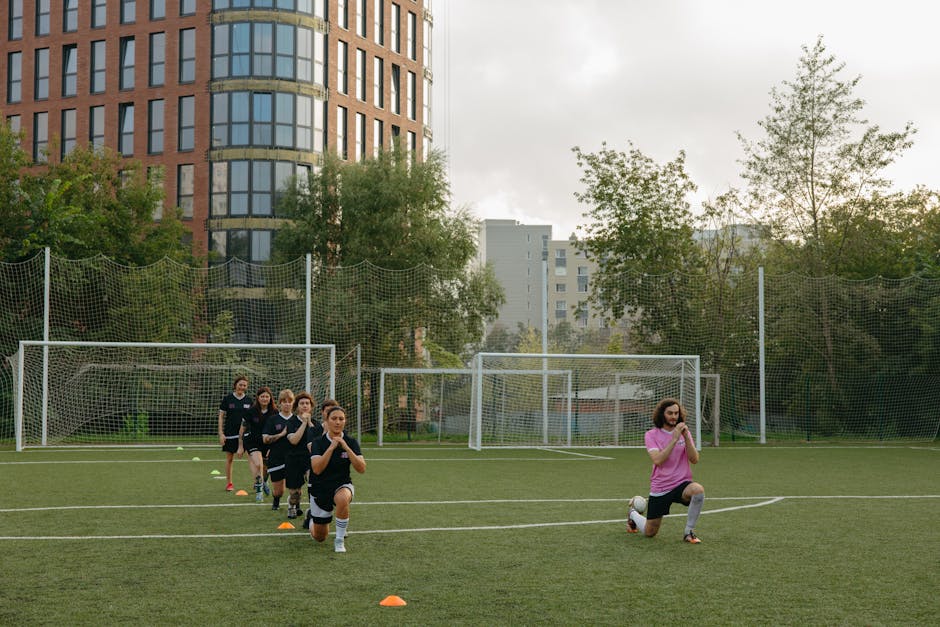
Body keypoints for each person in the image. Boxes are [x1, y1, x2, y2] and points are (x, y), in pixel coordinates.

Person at [627, 397, 705, 543]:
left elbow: (694, 459)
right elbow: (658, 460)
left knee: (698, 490)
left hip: (682, 483)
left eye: (676, 413)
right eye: (670, 413)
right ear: (662, 414)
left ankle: (689, 532)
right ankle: (632, 514)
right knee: (650, 532)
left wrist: (686, 437)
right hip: (661, 487)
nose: (674, 416)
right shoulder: (651, 435)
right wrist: (674, 439)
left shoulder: (685, 433)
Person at [307, 405, 366, 553]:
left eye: (341, 419)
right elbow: (317, 469)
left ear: (345, 421)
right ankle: (312, 521)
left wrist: (346, 448)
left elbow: (361, 468)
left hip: (342, 484)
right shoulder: (318, 443)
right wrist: (331, 448)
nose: (338, 422)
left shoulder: (351, 442)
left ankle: (339, 540)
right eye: (334, 418)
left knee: (342, 498)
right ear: (326, 421)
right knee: (320, 537)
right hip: (320, 488)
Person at [239, 386, 277, 502]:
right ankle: (259, 491)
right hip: (252, 441)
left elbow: (276, 430)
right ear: (258, 398)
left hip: (267, 443)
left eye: (267, 396)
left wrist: (273, 446)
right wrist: (240, 446)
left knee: (265, 468)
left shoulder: (275, 412)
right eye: (262, 396)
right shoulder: (251, 411)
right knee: (258, 464)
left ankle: (263, 483)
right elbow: (242, 428)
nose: (264, 399)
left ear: (270, 398)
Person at [217, 376, 252, 492]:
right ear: (235, 385)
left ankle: (256, 483)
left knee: (251, 458)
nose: (242, 387)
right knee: (230, 458)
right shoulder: (228, 399)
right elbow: (221, 416)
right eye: (240, 384)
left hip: (246, 434)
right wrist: (221, 433)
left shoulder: (249, 400)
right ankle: (229, 483)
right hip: (230, 434)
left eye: (244, 385)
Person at [284, 391, 315, 519]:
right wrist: (303, 423)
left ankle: (313, 510)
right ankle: (292, 506)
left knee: (313, 484)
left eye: (307, 403)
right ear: (297, 406)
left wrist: (309, 423)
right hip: (293, 458)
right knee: (295, 494)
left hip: (310, 459)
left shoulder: (315, 424)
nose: (305, 406)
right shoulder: (291, 422)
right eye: (302, 403)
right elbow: (294, 440)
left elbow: (317, 441)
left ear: (311, 406)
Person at [262, 389, 294, 511]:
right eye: (284, 401)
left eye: (289, 401)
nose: (287, 404)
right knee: (279, 491)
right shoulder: (273, 420)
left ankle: (294, 506)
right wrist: (281, 434)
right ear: (280, 403)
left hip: (293, 459)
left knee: (295, 489)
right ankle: (276, 500)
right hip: (276, 458)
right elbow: (265, 439)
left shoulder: (297, 420)